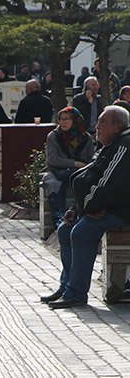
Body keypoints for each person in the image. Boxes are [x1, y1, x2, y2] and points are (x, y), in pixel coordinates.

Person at [42, 106, 130, 308]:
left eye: (103, 123)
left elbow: (106, 184)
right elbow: (89, 177)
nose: (97, 127)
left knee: (82, 231)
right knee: (65, 229)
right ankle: (67, 286)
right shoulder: (111, 145)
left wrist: (87, 209)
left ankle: (76, 293)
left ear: (117, 126)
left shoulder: (124, 146)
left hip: (121, 209)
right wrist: (77, 209)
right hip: (105, 206)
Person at [44, 107, 95, 227]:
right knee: (54, 184)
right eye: (61, 119)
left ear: (75, 120)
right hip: (58, 171)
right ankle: (60, 222)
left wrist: (82, 166)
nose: (64, 122)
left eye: (67, 119)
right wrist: (74, 163)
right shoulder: (54, 136)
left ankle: (80, 220)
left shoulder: (86, 138)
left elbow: (91, 158)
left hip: (81, 171)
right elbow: (53, 160)